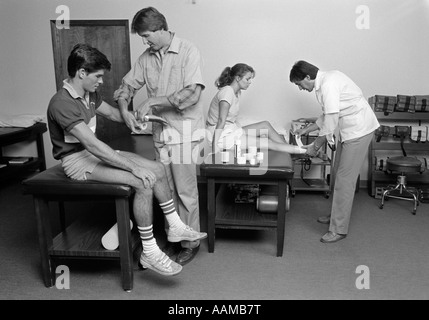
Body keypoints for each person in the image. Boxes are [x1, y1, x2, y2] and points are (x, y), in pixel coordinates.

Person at [47, 43, 207, 276]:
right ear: (82, 73)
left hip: (93, 153)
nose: (102, 81)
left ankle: (175, 227)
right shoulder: (61, 103)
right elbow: (92, 145)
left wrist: (137, 118)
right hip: (77, 161)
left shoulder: (89, 94)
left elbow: (113, 114)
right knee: (143, 181)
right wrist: (133, 168)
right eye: (98, 76)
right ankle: (150, 252)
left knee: (157, 169)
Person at [113, 7, 205, 265]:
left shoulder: (188, 50)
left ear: (161, 28)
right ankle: (173, 236)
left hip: (185, 132)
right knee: (165, 190)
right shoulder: (146, 58)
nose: (144, 41)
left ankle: (190, 243)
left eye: (147, 35)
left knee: (185, 191)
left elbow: (192, 94)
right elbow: (126, 87)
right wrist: (125, 109)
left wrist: (153, 100)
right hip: (161, 134)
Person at [290, 60, 379, 243]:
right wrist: (306, 130)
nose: (300, 88)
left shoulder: (329, 83)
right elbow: (327, 115)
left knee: (344, 181)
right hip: (349, 131)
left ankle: (339, 229)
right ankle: (336, 216)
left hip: (359, 130)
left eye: (299, 84)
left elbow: (330, 122)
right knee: (337, 174)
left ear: (308, 77)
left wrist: (315, 146)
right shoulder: (325, 82)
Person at [206, 63, 306, 154]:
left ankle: (289, 150)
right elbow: (221, 120)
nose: (250, 82)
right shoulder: (227, 92)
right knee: (266, 142)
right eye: (247, 79)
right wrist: (215, 147)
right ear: (237, 78)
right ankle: (303, 151)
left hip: (230, 130)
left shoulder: (235, 93)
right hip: (221, 136)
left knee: (265, 125)